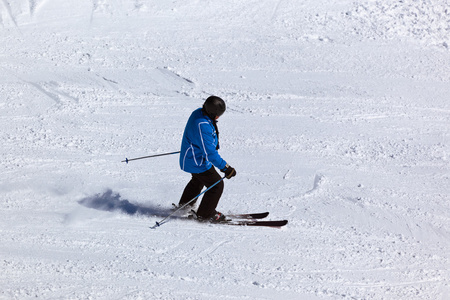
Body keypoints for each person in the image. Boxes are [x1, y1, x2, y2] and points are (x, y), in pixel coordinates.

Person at [178, 96, 236, 222]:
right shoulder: (202, 125)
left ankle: (185, 205)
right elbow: (210, 154)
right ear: (211, 113)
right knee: (216, 185)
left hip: (191, 157)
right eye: (217, 115)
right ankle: (205, 214)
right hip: (197, 162)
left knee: (197, 180)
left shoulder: (199, 113)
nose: (218, 118)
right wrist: (226, 168)